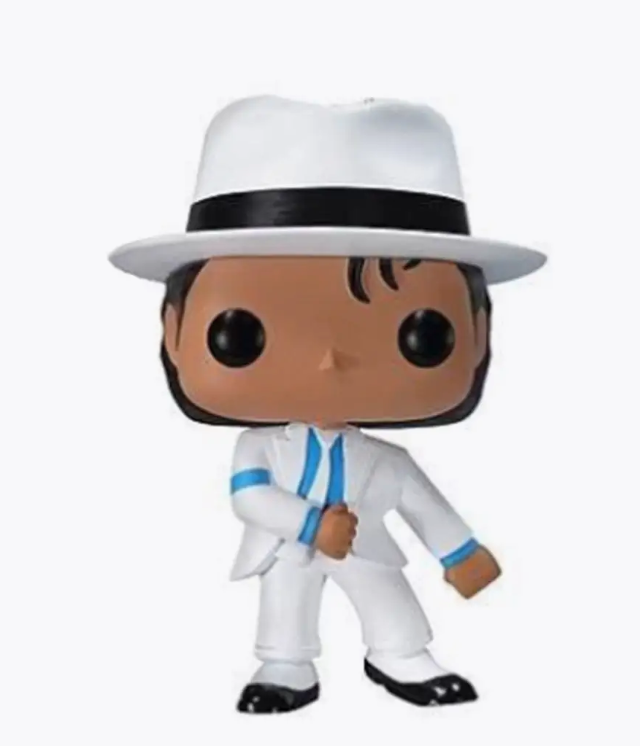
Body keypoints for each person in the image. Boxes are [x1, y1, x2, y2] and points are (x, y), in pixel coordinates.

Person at [110, 96, 546, 713]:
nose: (328, 360)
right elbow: (249, 498)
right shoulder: (259, 448)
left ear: (478, 333)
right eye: (243, 333)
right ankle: (284, 665)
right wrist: (314, 526)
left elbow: (425, 506)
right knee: (284, 602)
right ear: (174, 331)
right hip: (288, 543)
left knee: (388, 599)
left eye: (419, 334)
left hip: (366, 543)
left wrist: (461, 553)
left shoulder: (386, 461)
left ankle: (400, 655)